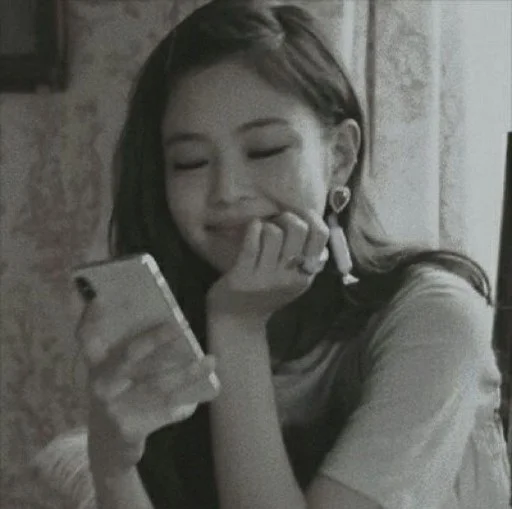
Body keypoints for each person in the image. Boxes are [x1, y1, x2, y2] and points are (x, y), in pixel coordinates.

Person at [76, 1, 511, 508]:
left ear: (340, 157)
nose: (227, 191)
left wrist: (237, 325)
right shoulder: (175, 319)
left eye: (264, 150)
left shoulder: (437, 316)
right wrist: (112, 463)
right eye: (190, 161)